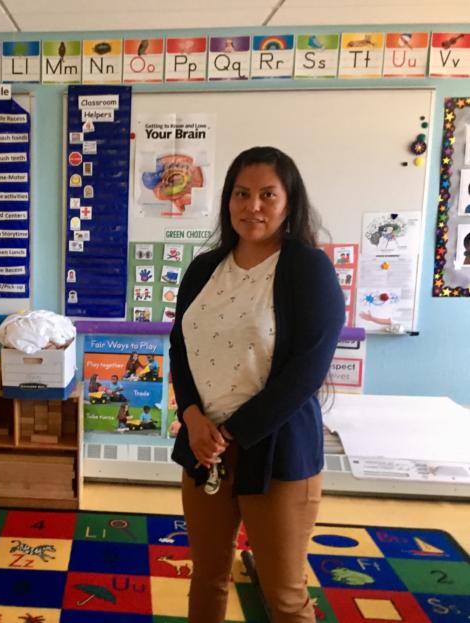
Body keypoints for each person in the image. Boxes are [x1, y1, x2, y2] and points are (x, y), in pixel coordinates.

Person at [169, 146, 344, 623]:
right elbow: (179, 346)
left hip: (277, 453)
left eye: (268, 194)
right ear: (228, 201)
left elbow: (306, 372)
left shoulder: (307, 269)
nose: (254, 206)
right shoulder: (205, 268)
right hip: (203, 449)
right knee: (207, 578)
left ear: (289, 202)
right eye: (242, 194)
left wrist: (227, 434)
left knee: (284, 595)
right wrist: (191, 418)